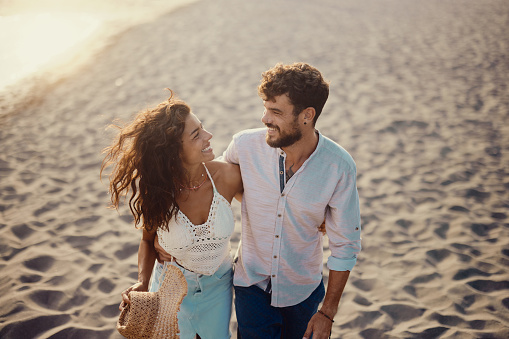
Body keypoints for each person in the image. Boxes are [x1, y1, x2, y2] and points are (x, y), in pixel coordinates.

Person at [221, 62, 362, 339]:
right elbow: (215, 187)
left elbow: (346, 245)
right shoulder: (243, 146)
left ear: (307, 115)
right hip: (251, 285)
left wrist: (327, 313)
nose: (264, 119)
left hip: (303, 293)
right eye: (265, 108)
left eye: (276, 111)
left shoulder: (339, 166)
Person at [101, 90, 243, 339]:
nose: (208, 136)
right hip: (170, 287)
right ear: (173, 151)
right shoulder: (157, 191)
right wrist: (142, 283)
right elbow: (147, 240)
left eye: (203, 128)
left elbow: (268, 203)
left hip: (218, 286)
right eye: (196, 135)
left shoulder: (227, 177)